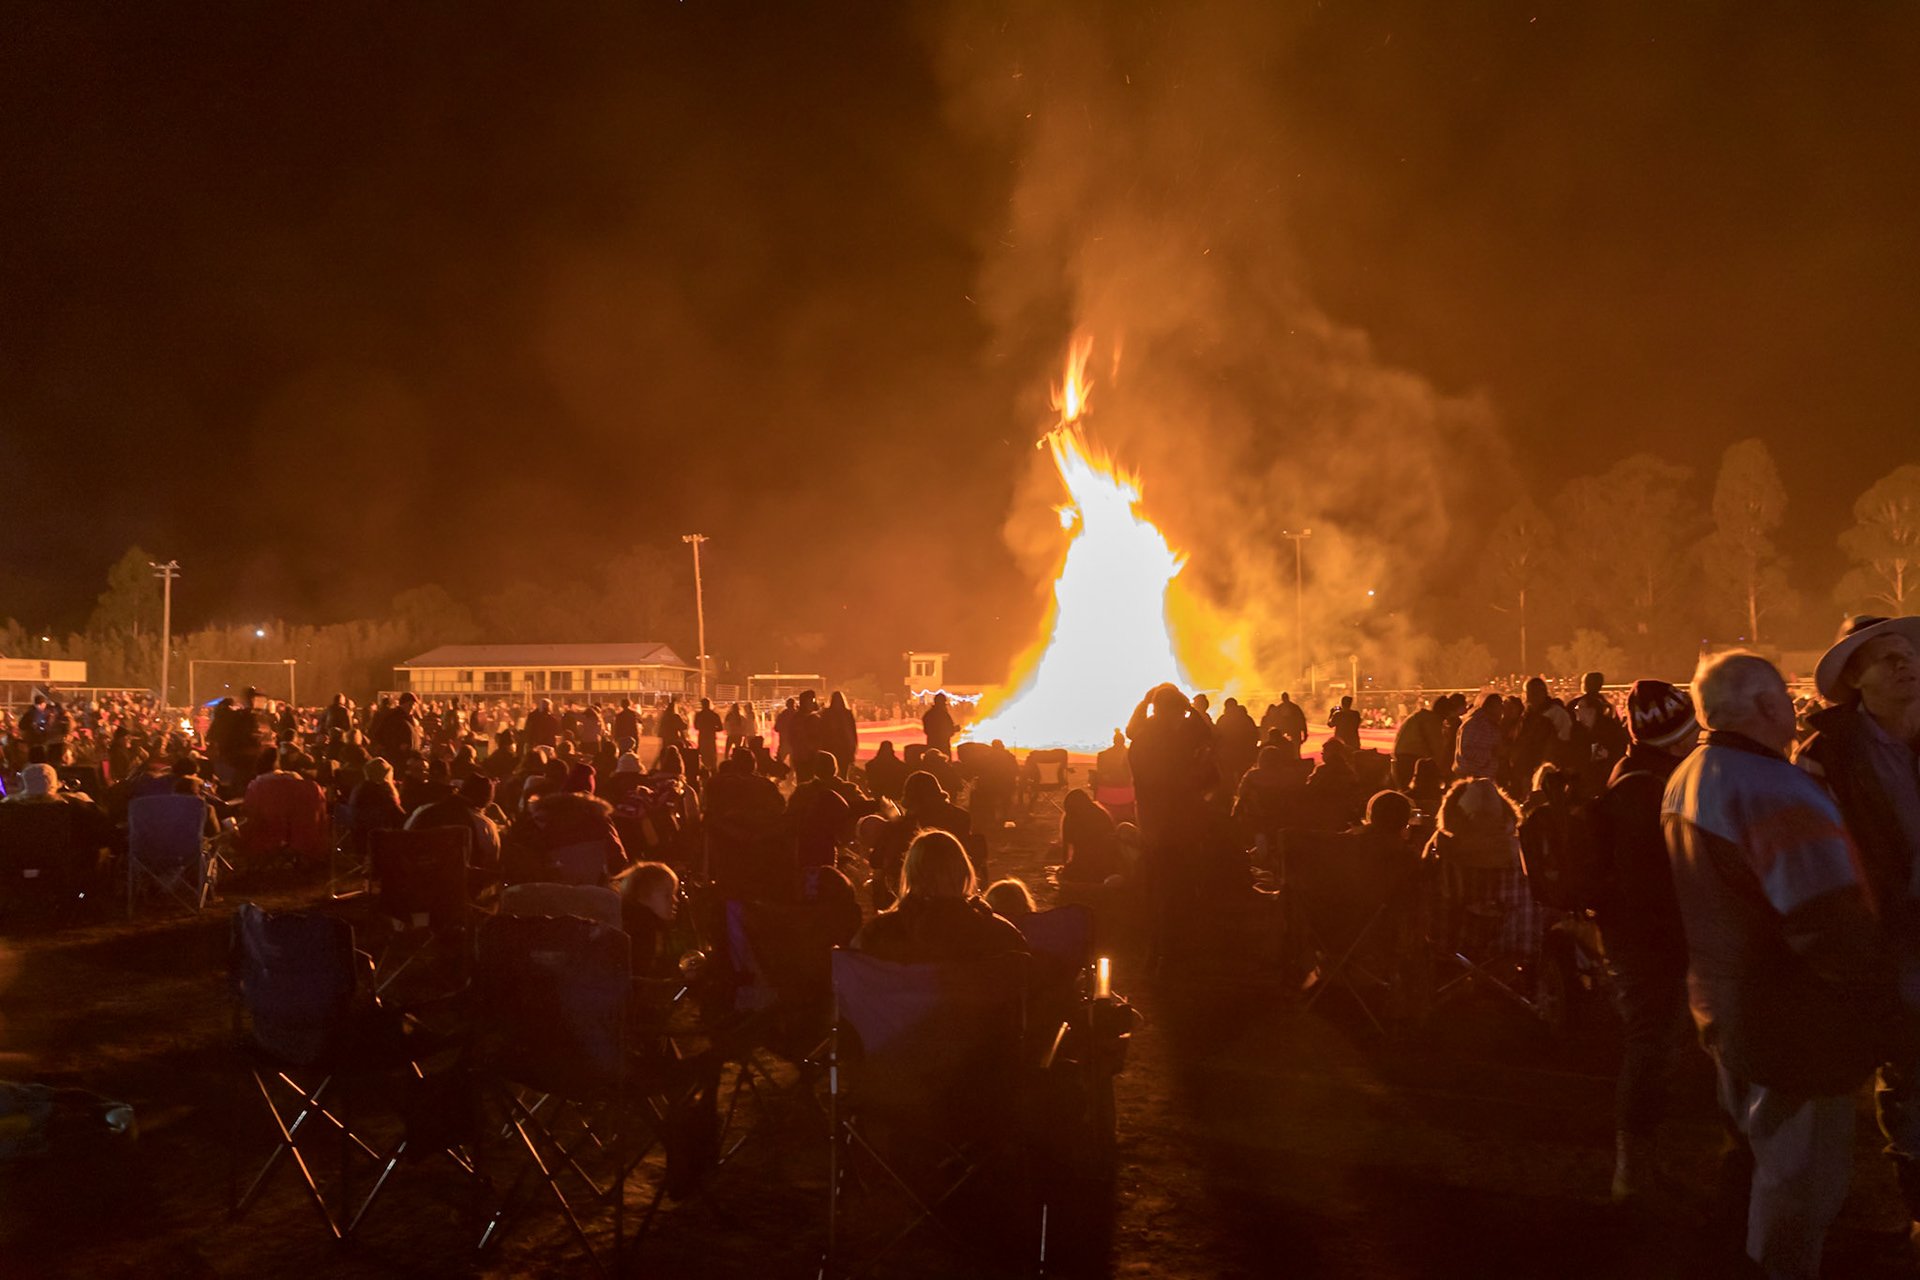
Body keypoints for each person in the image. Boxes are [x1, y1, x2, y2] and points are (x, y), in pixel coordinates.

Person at [1666, 651, 1887, 1280]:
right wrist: (1878, 1004)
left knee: (1756, 1170)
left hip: (1727, 1009)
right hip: (1796, 1026)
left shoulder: (1691, 772)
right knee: (1800, 1194)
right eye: (1785, 699)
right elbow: (1829, 922)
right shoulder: (1773, 788)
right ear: (1767, 706)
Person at [1795, 614, 1920, 1236]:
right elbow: (1821, 859)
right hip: (1892, 939)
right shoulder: (1827, 756)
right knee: (1909, 1069)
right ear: (1855, 679)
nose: (1905, 665)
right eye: (1886, 658)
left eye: (1908, 654)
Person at [1587, 678, 1700, 1203]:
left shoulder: (1641, 775)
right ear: (1671, 737)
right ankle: (1630, 1174)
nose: (1698, 734)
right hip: (1647, 940)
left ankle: (1643, 1166)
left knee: (1657, 1046)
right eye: (1689, 729)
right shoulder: (1644, 788)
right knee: (1650, 1046)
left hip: (1645, 935)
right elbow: (1649, 880)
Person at [851, 830, 1027, 964]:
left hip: (899, 1012)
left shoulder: (877, 935)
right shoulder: (1001, 936)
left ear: (910, 873)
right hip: (974, 1012)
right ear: (964, 872)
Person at [870, 770, 972, 912]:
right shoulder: (961, 817)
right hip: (956, 883)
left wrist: (894, 822)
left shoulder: (904, 826)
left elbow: (877, 860)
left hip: (914, 891)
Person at [408, 773, 504, 880]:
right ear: (487, 801)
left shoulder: (423, 810)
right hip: (459, 889)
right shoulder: (485, 825)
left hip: (414, 880)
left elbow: (404, 837)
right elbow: (490, 865)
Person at [1058, 788, 1124, 884]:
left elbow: (1066, 848)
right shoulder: (1101, 813)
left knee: (1073, 873)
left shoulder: (1070, 818)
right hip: (1107, 866)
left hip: (1084, 865)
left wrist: (1065, 866)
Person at [1391, 696, 1448, 790]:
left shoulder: (1419, 716)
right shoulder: (1431, 720)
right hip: (1411, 758)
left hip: (1401, 757)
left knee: (1404, 791)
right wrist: (1442, 769)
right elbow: (1437, 746)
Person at [1212, 697, 1260, 795]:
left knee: (1229, 778)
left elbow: (1217, 736)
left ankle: (1231, 796)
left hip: (1228, 754)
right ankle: (1243, 794)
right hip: (1243, 753)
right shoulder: (1245, 718)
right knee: (1243, 776)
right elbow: (1254, 734)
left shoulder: (1223, 719)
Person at [1454, 694, 1505, 781]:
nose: (1502, 710)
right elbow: (1465, 750)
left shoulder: (1492, 725)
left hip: (1485, 777)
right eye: (1499, 706)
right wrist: (1491, 753)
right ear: (1490, 707)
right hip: (1472, 777)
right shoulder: (1474, 725)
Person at [820, 692, 859, 779]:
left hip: (835, 747)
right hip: (840, 747)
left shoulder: (827, 714)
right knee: (843, 773)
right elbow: (852, 732)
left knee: (832, 773)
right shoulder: (846, 714)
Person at [693, 697, 724, 773]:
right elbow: (720, 727)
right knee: (712, 754)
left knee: (703, 753)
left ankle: (703, 770)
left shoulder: (699, 715)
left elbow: (696, 727)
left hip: (702, 736)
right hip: (711, 736)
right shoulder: (714, 715)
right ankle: (713, 771)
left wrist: (703, 727)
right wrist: (713, 729)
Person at [921, 691, 956, 758]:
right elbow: (949, 730)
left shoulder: (928, 714)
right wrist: (955, 729)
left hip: (931, 744)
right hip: (943, 745)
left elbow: (926, 730)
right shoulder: (944, 715)